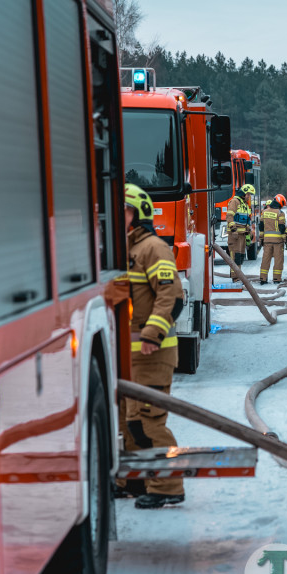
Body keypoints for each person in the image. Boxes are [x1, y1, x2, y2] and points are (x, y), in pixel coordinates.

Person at [118, 183, 186, 509]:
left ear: (139, 214)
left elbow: (173, 297)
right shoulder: (124, 251)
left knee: (148, 422)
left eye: (125, 211)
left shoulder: (153, 248)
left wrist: (151, 335)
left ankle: (168, 486)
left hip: (152, 354)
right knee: (129, 425)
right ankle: (135, 481)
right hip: (130, 357)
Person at [258, 194, 287, 284]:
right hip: (278, 241)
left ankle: (263, 278)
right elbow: (281, 227)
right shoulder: (280, 213)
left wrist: (262, 238)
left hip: (267, 241)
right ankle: (277, 278)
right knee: (278, 260)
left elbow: (261, 226)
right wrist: (284, 239)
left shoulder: (265, 212)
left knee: (265, 259)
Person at [226, 184, 254, 265]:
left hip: (242, 236)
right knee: (235, 258)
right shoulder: (235, 202)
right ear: (243, 193)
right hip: (235, 235)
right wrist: (233, 230)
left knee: (240, 258)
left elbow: (247, 220)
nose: (249, 196)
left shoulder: (244, 204)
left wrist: (249, 232)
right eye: (248, 194)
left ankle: (238, 276)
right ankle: (235, 277)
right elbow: (229, 216)